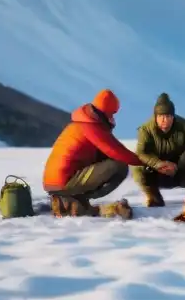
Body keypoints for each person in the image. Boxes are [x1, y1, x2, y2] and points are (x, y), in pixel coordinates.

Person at [42, 89, 140, 218]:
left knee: (105, 159)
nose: (112, 118)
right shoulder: (91, 127)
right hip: (63, 183)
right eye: (111, 114)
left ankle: (74, 200)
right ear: (105, 113)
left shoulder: (80, 124)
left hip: (53, 182)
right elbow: (116, 151)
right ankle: (77, 198)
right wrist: (146, 162)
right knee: (119, 166)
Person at [133, 92, 185, 207]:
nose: (164, 120)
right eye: (160, 116)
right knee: (137, 166)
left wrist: (183, 160)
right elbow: (141, 153)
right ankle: (154, 198)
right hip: (157, 173)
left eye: (168, 116)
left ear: (173, 116)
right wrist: (159, 164)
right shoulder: (146, 130)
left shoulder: (184, 125)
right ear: (155, 117)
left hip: (180, 172)